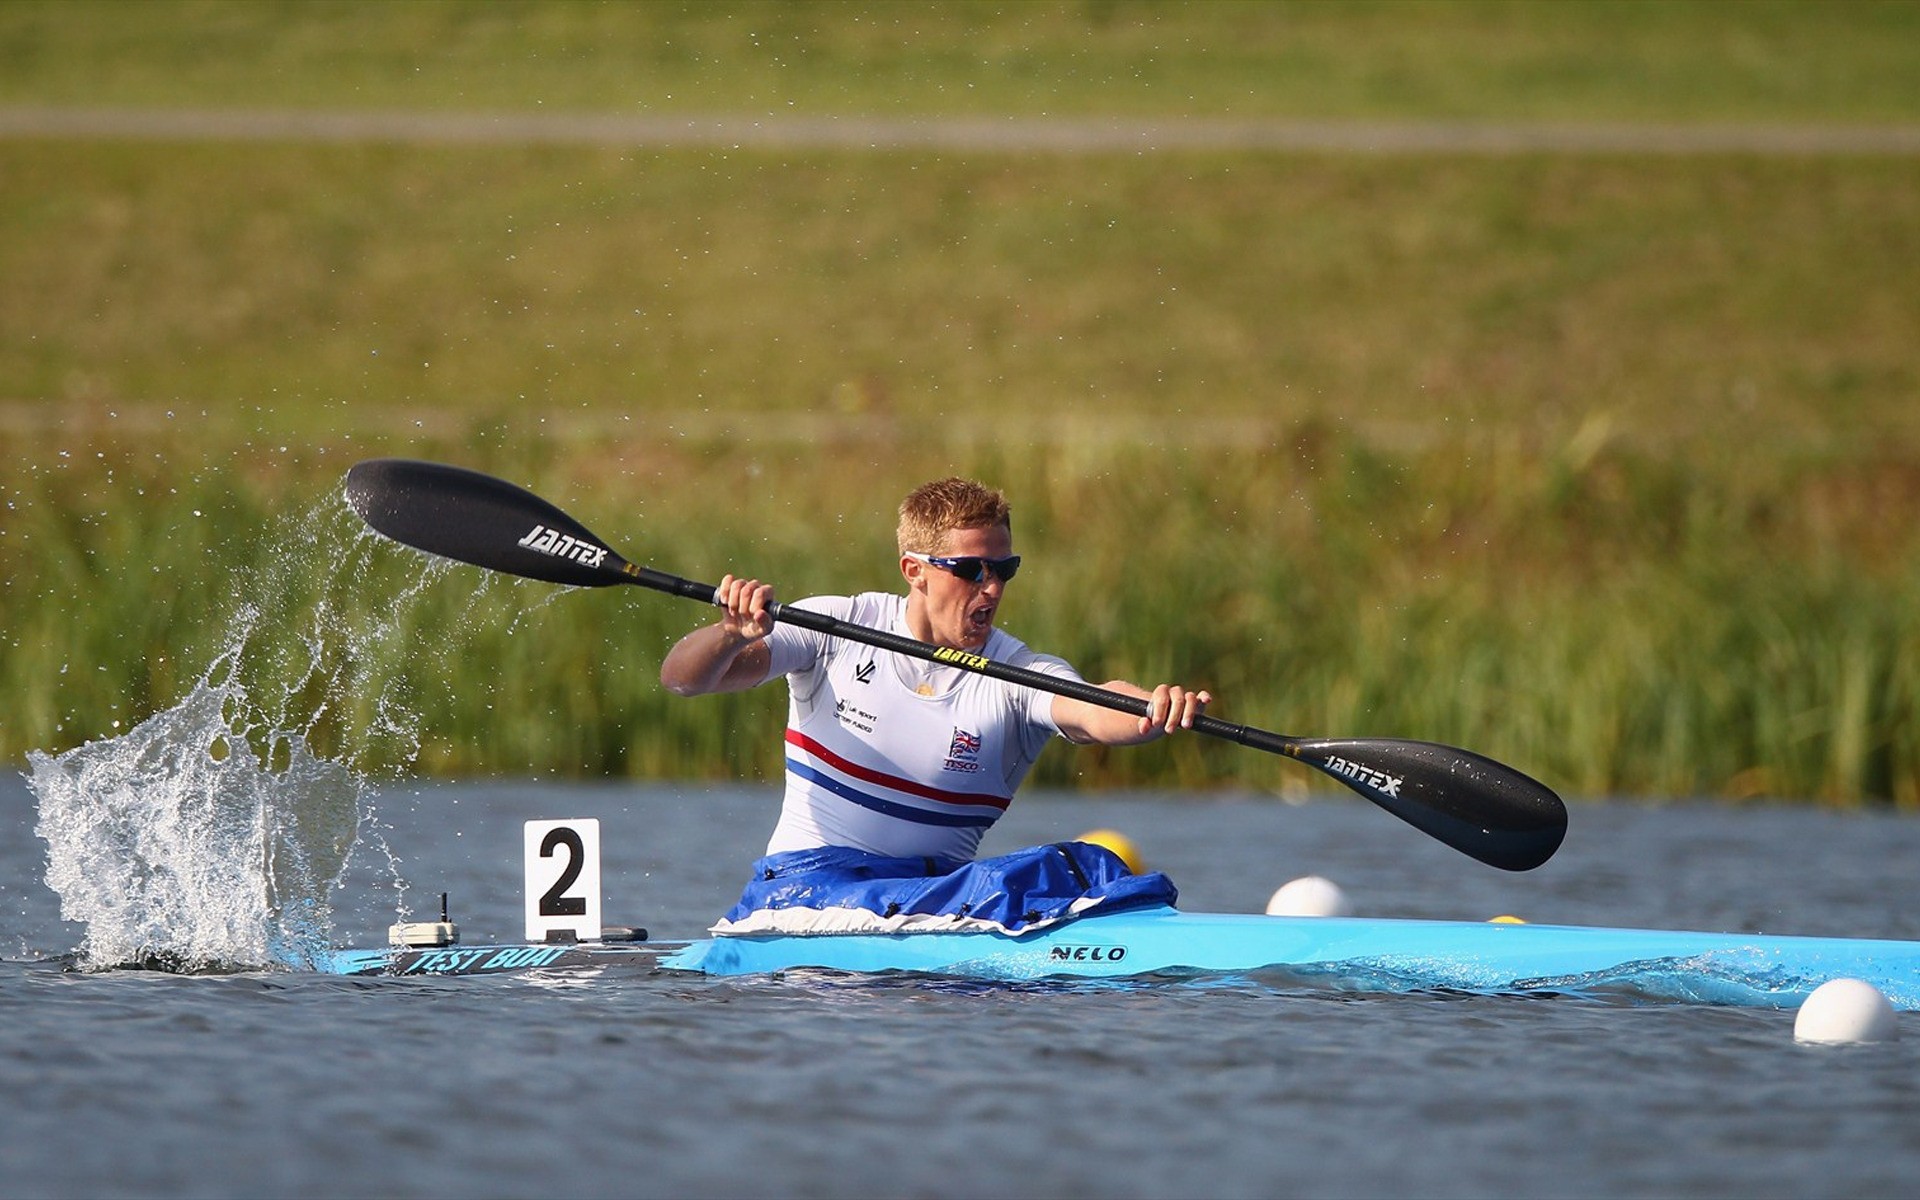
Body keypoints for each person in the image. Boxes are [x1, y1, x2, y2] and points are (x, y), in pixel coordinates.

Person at [659, 476, 1211, 936]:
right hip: (805, 892)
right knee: (1037, 877)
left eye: (1004, 570)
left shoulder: (1017, 673)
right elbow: (684, 680)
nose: (991, 589)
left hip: (939, 904)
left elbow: (1094, 708)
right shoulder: (838, 628)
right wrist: (730, 635)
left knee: (1089, 865)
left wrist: (1153, 707)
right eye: (971, 571)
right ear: (914, 570)